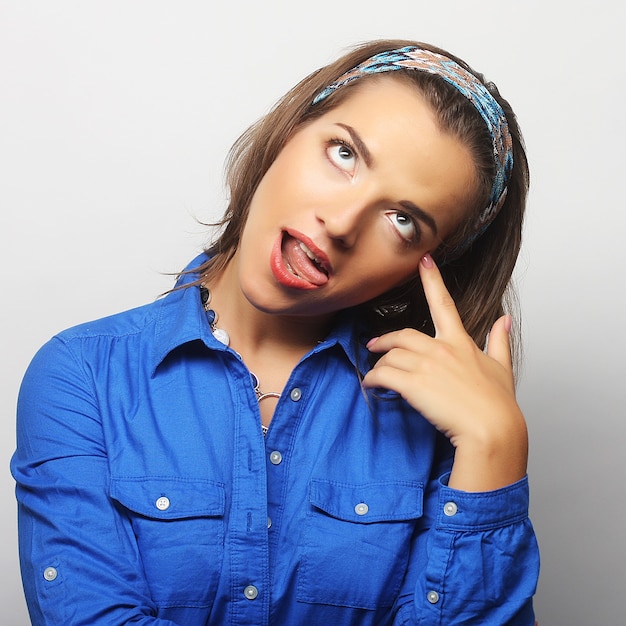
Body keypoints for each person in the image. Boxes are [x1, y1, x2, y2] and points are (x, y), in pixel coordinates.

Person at [11, 39, 540, 625]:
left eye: (403, 220)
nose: (340, 224)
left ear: (428, 264)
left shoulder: (444, 421)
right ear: (288, 131)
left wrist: (496, 447)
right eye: (343, 153)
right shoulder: (84, 374)